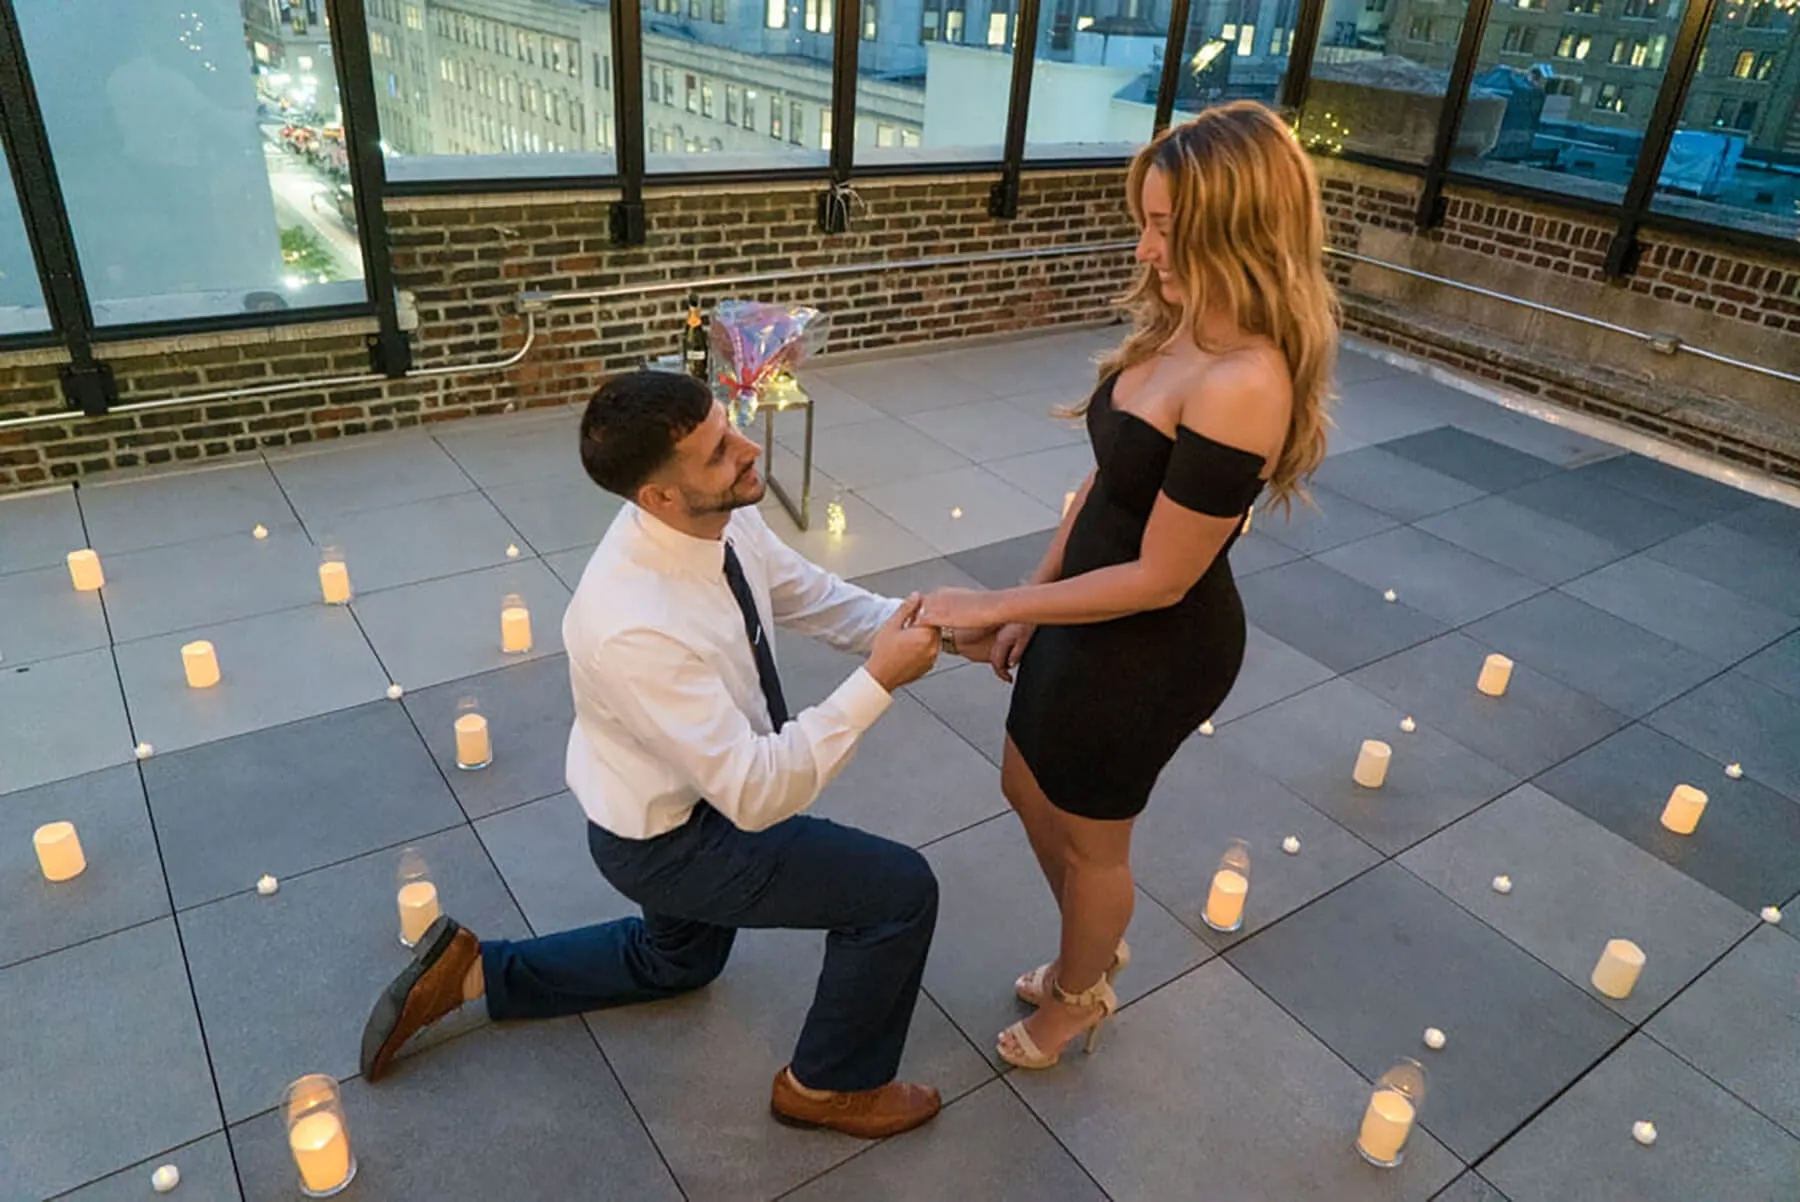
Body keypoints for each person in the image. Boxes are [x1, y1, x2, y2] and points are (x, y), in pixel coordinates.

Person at [360, 370, 993, 1138]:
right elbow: (757, 796)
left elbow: (816, 598)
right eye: (719, 451)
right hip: (669, 840)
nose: (747, 449)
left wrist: (947, 629)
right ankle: (826, 1087)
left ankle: (470, 972)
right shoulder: (632, 622)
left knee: (679, 962)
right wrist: (879, 680)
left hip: (671, 800)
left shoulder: (719, 516)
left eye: (729, 428)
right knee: (897, 893)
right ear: (656, 496)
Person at [918, 101, 1338, 1069]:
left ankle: (1082, 989)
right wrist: (1035, 581)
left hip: (1155, 643)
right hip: (1085, 599)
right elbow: (1103, 487)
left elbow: (1159, 576)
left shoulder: (1246, 380)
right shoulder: (1176, 326)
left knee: (1094, 839)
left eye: (1166, 228)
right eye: (1145, 221)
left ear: (1239, 233)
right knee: (1024, 779)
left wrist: (999, 605)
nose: (1145, 250)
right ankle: (1091, 937)